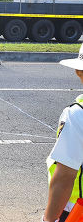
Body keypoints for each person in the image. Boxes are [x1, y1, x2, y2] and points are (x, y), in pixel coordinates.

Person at [43, 43, 83, 222]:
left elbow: (65, 176)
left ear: (79, 72)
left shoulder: (78, 114)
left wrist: (48, 220)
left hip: (77, 211)